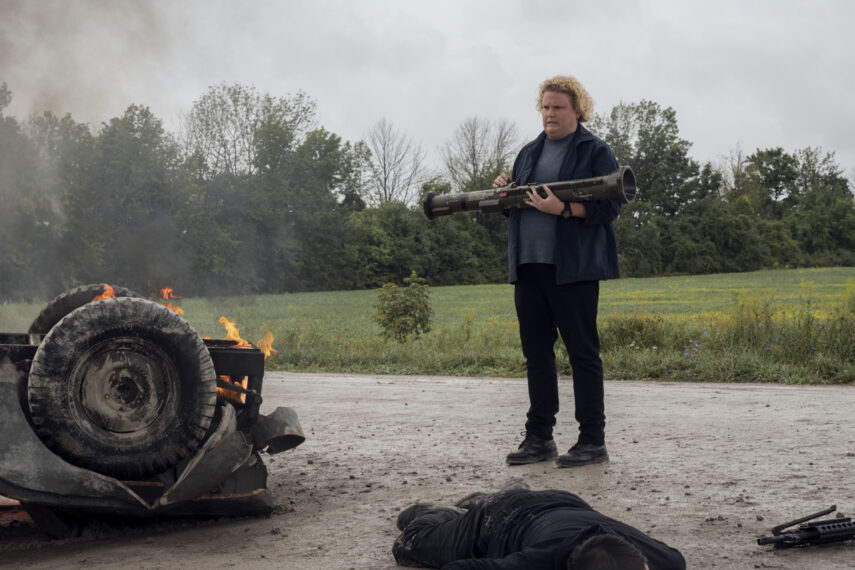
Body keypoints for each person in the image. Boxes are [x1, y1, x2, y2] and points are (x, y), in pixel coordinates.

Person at [494, 75, 622, 468]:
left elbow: (610, 206)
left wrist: (562, 210)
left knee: (583, 354)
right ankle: (539, 439)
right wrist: (505, 192)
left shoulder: (594, 151)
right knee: (536, 354)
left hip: (573, 269)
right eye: (545, 107)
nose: (550, 114)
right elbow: (517, 204)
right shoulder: (529, 152)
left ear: (577, 110)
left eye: (558, 108)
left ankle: (592, 441)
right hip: (528, 265)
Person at [392, 484, 686, 569]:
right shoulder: (540, 560)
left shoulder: (667, 562)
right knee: (408, 538)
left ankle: (504, 493)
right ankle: (449, 511)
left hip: (565, 501)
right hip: (500, 518)